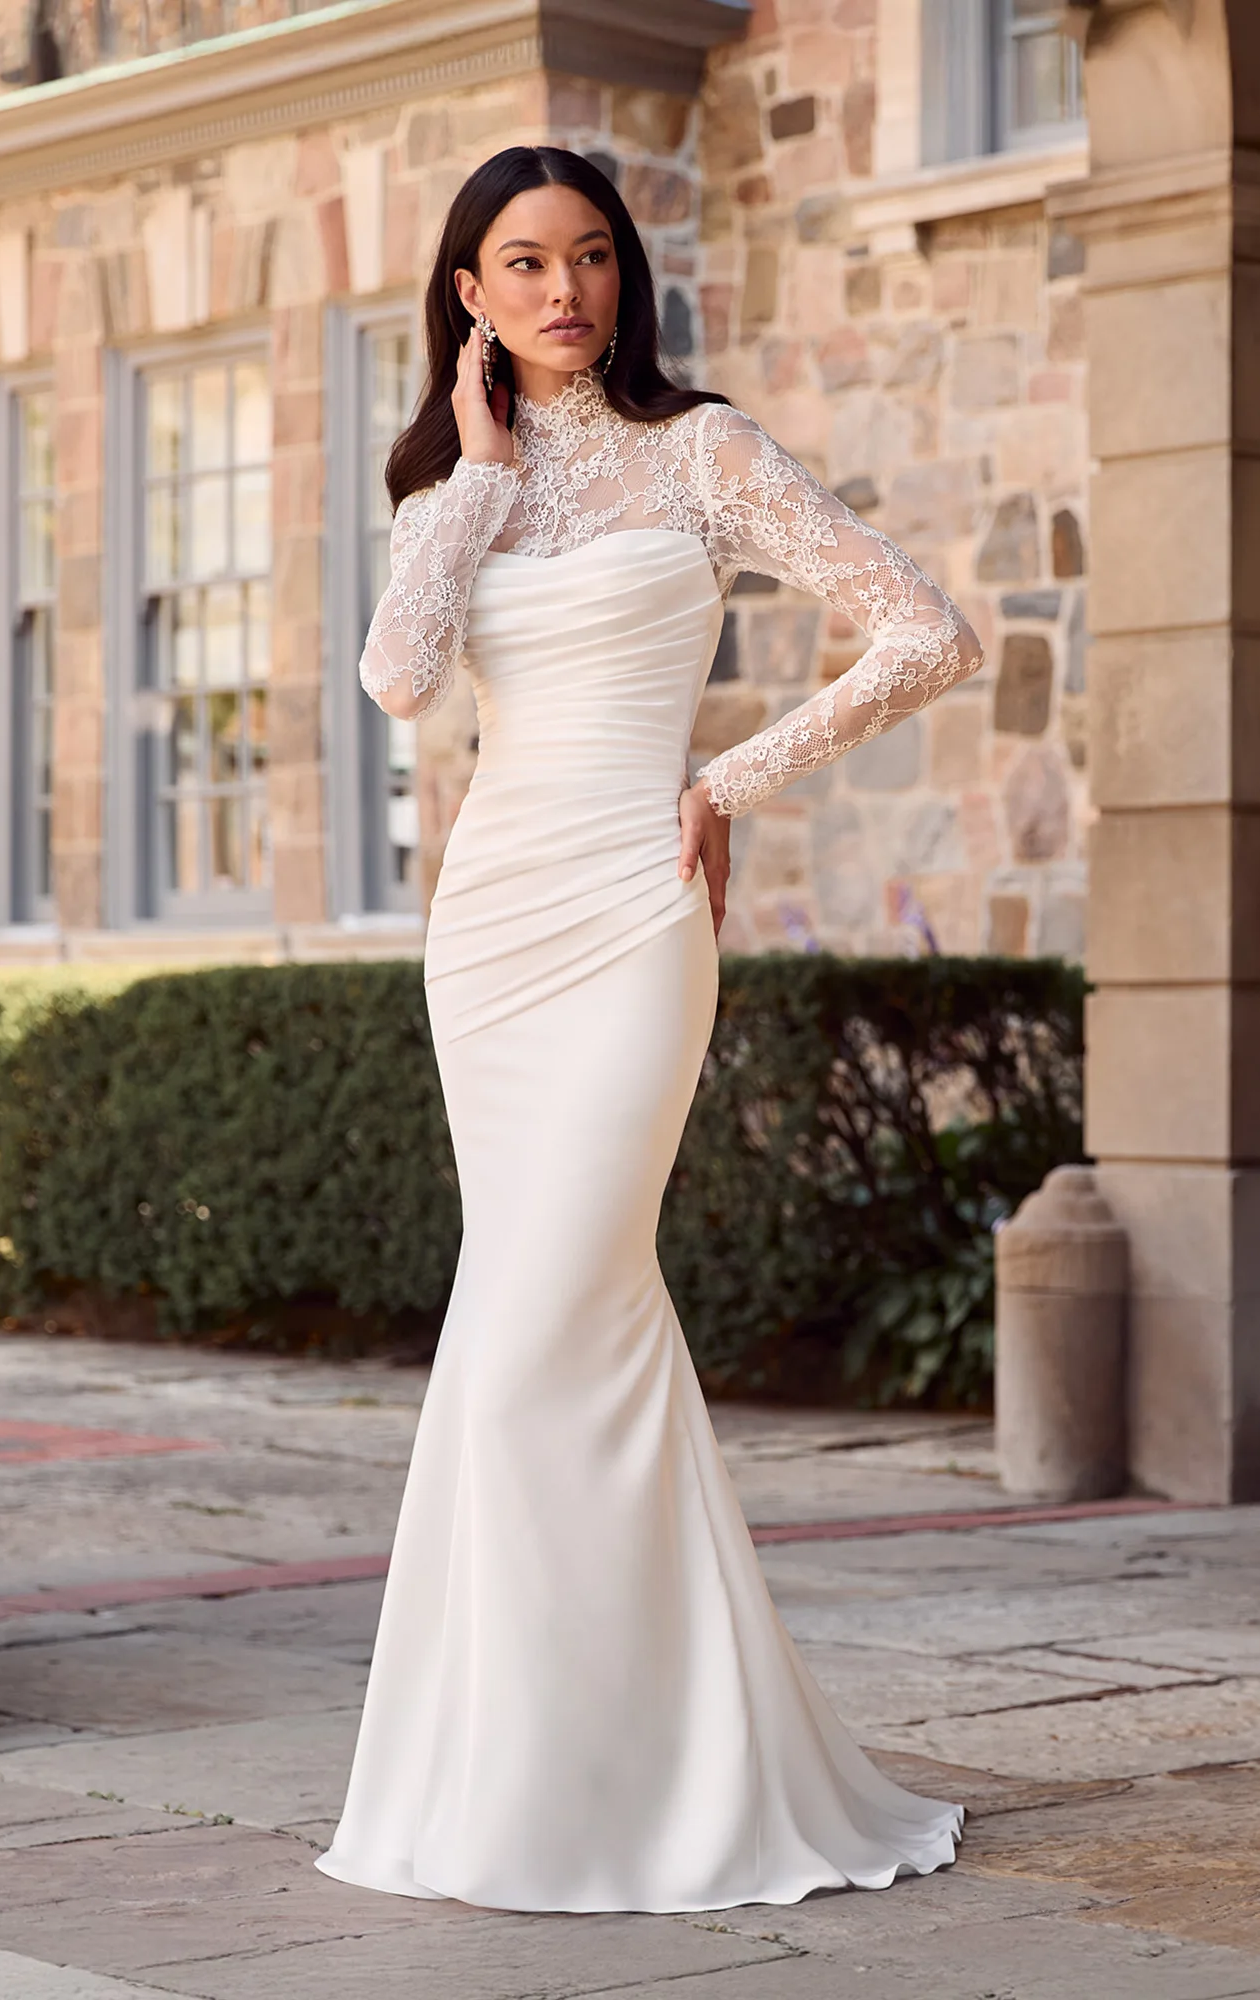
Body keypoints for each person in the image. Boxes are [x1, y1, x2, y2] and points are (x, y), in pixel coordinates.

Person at [316, 144, 982, 1916]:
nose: (561, 291)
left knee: (549, 1322)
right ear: (466, 293)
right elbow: (396, 681)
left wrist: (730, 777)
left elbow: (928, 633)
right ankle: (555, 1766)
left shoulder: (706, 454)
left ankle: (616, 1782)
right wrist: (469, 474)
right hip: (492, 934)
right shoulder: (445, 486)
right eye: (521, 263)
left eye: (590, 256)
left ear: (625, 275)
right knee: (552, 1326)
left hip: (628, 916)